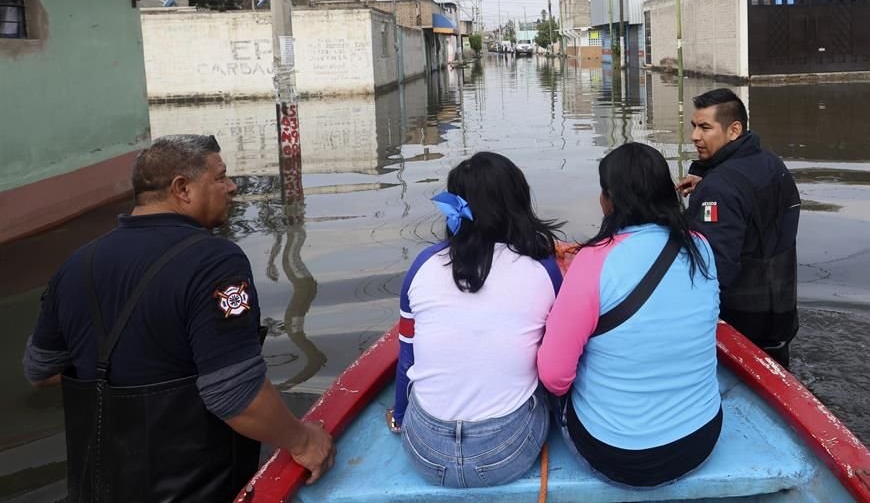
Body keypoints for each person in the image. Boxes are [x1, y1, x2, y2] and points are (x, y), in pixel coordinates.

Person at [22, 134, 335, 502]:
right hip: (196, 488)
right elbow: (235, 395)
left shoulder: (76, 265)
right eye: (220, 177)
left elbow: (39, 370)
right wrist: (303, 440)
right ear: (183, 189)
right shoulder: (214, 261)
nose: (232, 187)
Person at [538, 142, 722, 488]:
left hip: (618, 455)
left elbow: (554, 376)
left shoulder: (593, 261)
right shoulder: (701, 246)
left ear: (610, 200)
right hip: (700, 440)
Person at [387, 152, 563, 488]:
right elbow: (559, 358)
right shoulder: (543, 269)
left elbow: (406, 357)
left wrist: (399, 417)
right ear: (517, 202)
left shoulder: (423, 266)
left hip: (425, 451)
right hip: (505, 453)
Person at [677, 88, 801, 367]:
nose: (695, 136)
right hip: (780, 311)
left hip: (741, 320)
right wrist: (708, 182)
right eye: (694, 126)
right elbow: (757, 211)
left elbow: (714, 269)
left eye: (705, 127)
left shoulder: (720, 188)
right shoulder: (771, 163)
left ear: (734, 130)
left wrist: (710, 191)